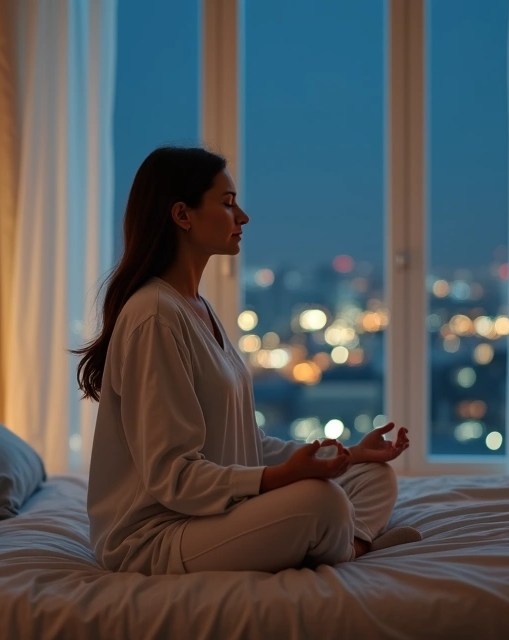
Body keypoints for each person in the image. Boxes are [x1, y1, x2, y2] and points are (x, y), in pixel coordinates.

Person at [76, 146, 422, 575]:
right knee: (322, 502)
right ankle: (349, 547)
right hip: (159, 534)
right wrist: (283, 480)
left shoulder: (195, 307)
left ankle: (343, 543)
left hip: (211, 511)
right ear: (182, 215)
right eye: (226, 204)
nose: (243, 216)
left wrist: (346, 455)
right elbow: (174, 477)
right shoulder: (154, 316)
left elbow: (245, 447)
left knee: (372, 478)